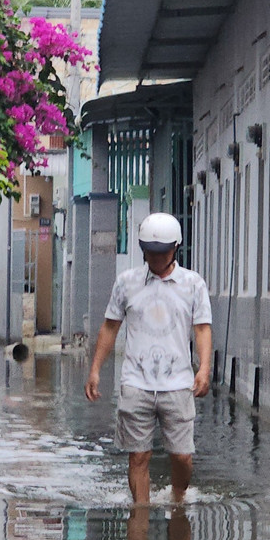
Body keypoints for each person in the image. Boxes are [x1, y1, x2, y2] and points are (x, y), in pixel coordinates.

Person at [84, 212, 212, 503]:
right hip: (136, 382)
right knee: (138, 456)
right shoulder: (127, 282)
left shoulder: (193, 284)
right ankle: (139, 519)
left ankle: (178, 496)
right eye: (149, 253)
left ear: (175, 248)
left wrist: (203, 369)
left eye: (161, 253)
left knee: (182, 457)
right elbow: (110, 327)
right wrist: (95, 370)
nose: (154, 259)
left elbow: (202, 328)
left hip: (178, 383)